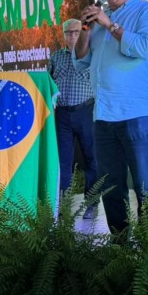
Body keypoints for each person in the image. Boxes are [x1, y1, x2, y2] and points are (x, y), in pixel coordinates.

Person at [75, 0, 148, 233]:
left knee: (146, 186)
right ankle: (119, 245)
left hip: (137, 115)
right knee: (111, 187)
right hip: (103, 116)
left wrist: (109, 24)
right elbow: (80, 60)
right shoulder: (99, 22)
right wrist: (85, 29)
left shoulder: (147, 11)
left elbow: (144, 48)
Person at [48, 18, 98, 217]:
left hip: (86, 111)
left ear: (83, 33)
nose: (72, 36)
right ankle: (63, 206)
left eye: (76, 32)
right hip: (62, 114)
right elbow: (48, 84)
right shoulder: (56, 58)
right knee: (63, 162)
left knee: (92, 159)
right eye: (68, 32)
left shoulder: (92, 55)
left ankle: (92, 204)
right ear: (63, 35)